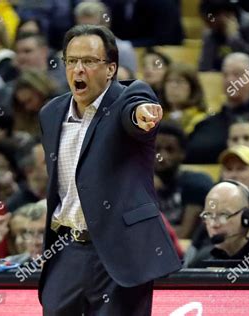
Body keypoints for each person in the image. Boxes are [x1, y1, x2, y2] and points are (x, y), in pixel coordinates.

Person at [38, 25, 181, 315]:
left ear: (111, 68)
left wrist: (142, 116)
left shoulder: (128, 98)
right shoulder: (51, 113)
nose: (79, 69)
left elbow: (135, 111)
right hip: (66, 251)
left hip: (119, 254)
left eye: (89, 61)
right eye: (72, 61)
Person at [186, 53, 249, 164]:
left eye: (237, 74)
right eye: (225, 75)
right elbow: (189, 151)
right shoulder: (210, 121)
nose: (230, 80)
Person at [187, 180, 249, 267]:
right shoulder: (201, 262)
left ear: (247, 217)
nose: (213, 224)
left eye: (223, 215)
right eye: (208, 215)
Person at [154, 122, 214, 238]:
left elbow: (183, 233)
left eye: (170, 150)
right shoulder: (139, 184)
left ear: (182, 153)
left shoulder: (195, 183)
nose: (162, 156)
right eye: (156, 149)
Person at [198, 0, 249, 71]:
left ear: (224, 15)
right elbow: (204, 68)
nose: (207, 25)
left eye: (209, 20)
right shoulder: (211, 33)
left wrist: (234, 37)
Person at [74, 0, 137, 74]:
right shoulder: (70, 51)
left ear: (104, 26)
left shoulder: (123, 49)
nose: (87, 32)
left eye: (93, 27)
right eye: (83, 27)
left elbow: (131, 82)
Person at [162, 64, 208, 135]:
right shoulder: (158, 119)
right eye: (169, 81)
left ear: (192, 88)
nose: (173, 86)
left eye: (179, 81)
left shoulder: (201, 121)